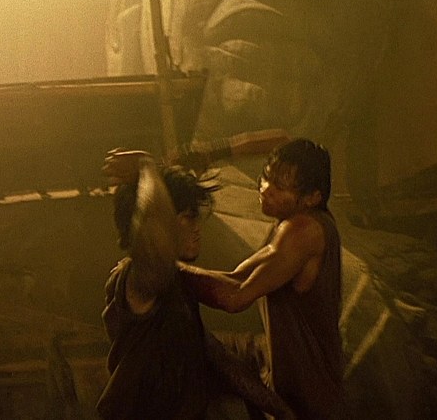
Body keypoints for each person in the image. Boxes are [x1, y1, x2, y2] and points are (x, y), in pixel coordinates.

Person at [97, 132, 294, 419]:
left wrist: (282, 411)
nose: (197, 226)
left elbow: (218, 359)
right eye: (186, 217)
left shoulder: (178, 286)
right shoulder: (136, 279)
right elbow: (156, 242)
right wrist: (147, 167)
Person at [179, 138, 350, 419]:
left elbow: (235, 297)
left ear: (312, 197)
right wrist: (213, 153)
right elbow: (236, 278)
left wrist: (164, 267)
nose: (266, 189)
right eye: (266, 177)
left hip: (309, 399)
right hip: (290, 379)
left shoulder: (303, 230)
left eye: (280, 187)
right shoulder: (290, 223)